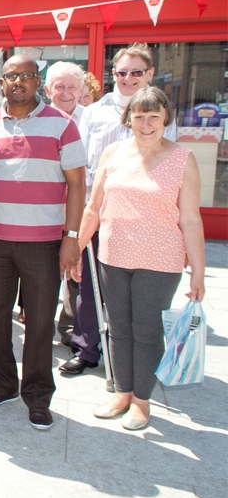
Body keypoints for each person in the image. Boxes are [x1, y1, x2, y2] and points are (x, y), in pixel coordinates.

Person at [74, 87, 205, 431]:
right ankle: (121, 392)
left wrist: (199, 273)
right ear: (128, 118)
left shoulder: (183, 158)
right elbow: (93, 207)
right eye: (139, 115)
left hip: (160, 261)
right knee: (117, 329)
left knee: (145, 331)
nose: (146, 123)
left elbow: (191, 219)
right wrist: (75, 249)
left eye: (154, 116)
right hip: (113, 256)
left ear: (166, 119)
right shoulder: (113, 152)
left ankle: (141, 402)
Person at [0, 54, 86, 431]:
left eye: (26, 76)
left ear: (39, 83)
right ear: (1, 83)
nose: (17, 82)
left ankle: (37, 397)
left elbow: (77, 184)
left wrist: (72, 237)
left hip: (44, 243)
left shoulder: (63, 125)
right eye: (10, 76)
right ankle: (1, 386)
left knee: (38, 324)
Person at [64, 43, 178, 377]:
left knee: (132, 292)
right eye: (121, 72)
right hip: (97, 210)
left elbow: (169, 165)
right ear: (112, 75)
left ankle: (126, 354)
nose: (128, 79)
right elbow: (80, 164)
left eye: (136, 72)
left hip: (142, 219)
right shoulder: (95, 112)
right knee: (87, 285)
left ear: (150, 74)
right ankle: (86, 348)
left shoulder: (163, 116)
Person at [42, 61, 86, 347]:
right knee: (49, 276)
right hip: (47, 213)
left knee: (77, 276)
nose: (66, 92)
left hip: (82, 210)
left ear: (82, 90)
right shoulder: (39, 119)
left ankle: (75, 333)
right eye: (59, 86)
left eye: (72, 87)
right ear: (48, 90)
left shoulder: (92, 119)